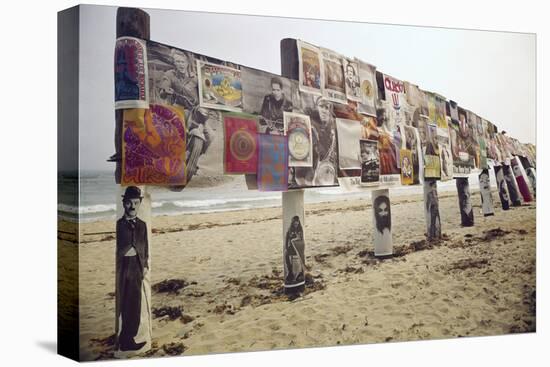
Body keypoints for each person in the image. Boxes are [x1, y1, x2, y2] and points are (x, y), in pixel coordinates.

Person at [116, 186, 149, 351]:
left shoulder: (142, 225)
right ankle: (121, 338)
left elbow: (145, 247)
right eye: (129, 203)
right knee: (121, 303)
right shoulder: (118, 225)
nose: (133, 206)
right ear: (124, 203)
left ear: (140, 203)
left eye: (136, 203)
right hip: (122, 267)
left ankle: (129, 339)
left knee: (134, 304)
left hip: (136, 265)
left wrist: (145, 265)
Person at [284, 216, 305, 286]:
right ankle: (290, 272)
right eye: (295, 224)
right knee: (286, 255)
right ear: (292, 223)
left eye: (297, 224)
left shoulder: (300, 229)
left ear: (298, 223)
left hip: (298, 246)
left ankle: (301, 272)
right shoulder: (290, 230)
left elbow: (300, 238)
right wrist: (286, 247)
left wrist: (294, 239)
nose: (296, 225)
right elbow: (287, 239)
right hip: (292, 246)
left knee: (301, 256)